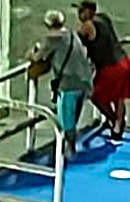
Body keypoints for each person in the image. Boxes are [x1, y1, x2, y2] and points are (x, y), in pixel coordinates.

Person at [28, 9, 93, 158]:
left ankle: (68, 150)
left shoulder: (52, 40)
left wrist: (32, 51)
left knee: (66, 120)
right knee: (74, 116)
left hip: (68, 84)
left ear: (47, 24)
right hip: (84, 81)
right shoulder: (72, 34)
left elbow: (37, 57)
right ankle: (70, 145)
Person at [75, 0, 130, 141]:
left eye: (81, 11)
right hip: (124, 61)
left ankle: (114, 120)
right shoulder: (104, 18)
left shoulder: (87, 26)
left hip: (111, 66)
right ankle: (119, 124)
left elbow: (76, 43)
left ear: (89, 12)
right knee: (119, 97)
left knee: (95, 95)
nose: (79, 14)